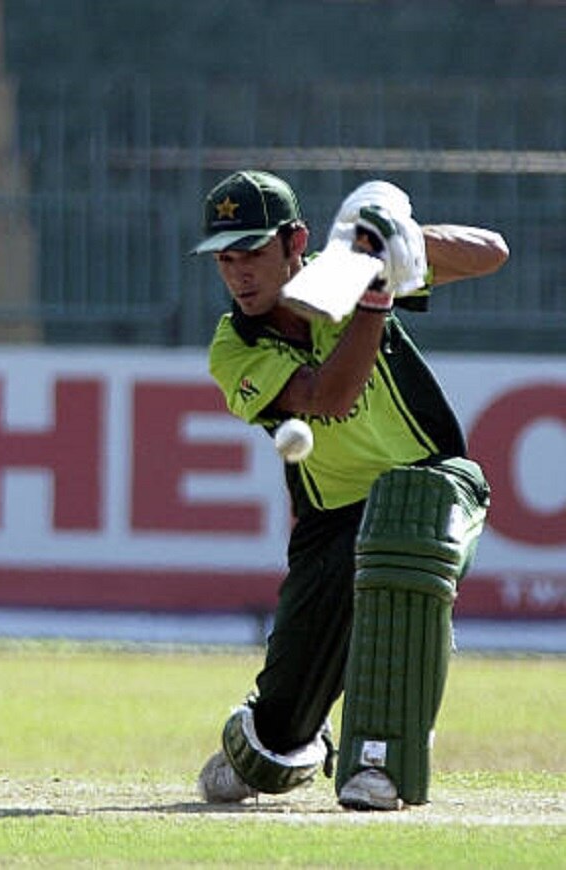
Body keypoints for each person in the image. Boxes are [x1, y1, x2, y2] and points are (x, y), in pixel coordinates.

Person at [190, 170, 507, 811]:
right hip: (332, 523)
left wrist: (394, 242)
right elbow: (329, 397)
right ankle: (277, 743)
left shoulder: (342, 270)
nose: (238, 273)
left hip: (435, 480)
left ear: (295, 241)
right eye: (225, 258)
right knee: (271, 747)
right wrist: (376, 295)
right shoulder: (233, 348)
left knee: (404, 537)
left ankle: (382, 764)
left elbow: (492, 252)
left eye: (252, 252)